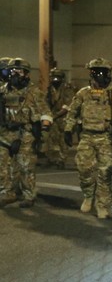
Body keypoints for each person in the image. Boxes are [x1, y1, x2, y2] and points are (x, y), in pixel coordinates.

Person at [64, 58, 112, 219]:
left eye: (104, 72)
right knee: (84, 169)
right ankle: (89, 195)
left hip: (106, 138)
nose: (101, 75)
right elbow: (72, 112)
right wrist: (68, 129)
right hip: (87, 136)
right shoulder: (83, 93)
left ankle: (102, 204)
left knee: (105, 172)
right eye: (97, 72)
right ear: (92, 74)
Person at [0, 58, 52, 208]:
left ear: (27, 74)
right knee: (3, 165)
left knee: (26, 165)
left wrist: (44, 129)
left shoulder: (34, 92)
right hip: (5, 133)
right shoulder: (3, 90)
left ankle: (29, 194)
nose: (15, 74)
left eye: (19, 71)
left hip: (25, 133)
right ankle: (7, 193)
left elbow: (45, 112)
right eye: (12, 71)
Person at [44, 68, 77, 169]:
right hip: (53, 116)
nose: (55, 79)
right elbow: (46, 102)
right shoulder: (50, 89)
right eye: (53, 77)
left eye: (57, 77)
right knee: (49, 137)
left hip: (63, 117)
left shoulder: (67, 89)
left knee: (63, 140)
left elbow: (68, 105)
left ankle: (62, 160)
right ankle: (50, 159)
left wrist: (56, 115)